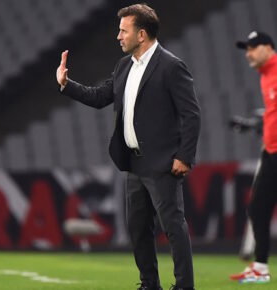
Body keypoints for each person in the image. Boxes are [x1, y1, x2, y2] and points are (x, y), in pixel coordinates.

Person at [56, 4, 200, 290]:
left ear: (142, 34)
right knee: (138, 229)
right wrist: (66, 84)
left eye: (124, 30)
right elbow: (99, 97)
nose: (118, 36)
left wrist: (184, 156)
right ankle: (149, 284)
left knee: (173, 227)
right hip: (134, 164)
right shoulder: (124, 66)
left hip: (162, 164)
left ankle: (184, 286)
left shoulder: (171, 66)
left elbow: (192, 114)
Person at [230, 31, 277, 284]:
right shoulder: (265, 75)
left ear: (269, 47)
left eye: (253, 47)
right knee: (258, 209)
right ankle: (260, 267)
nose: (248, 53)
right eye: (246, 48)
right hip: (271, 152)